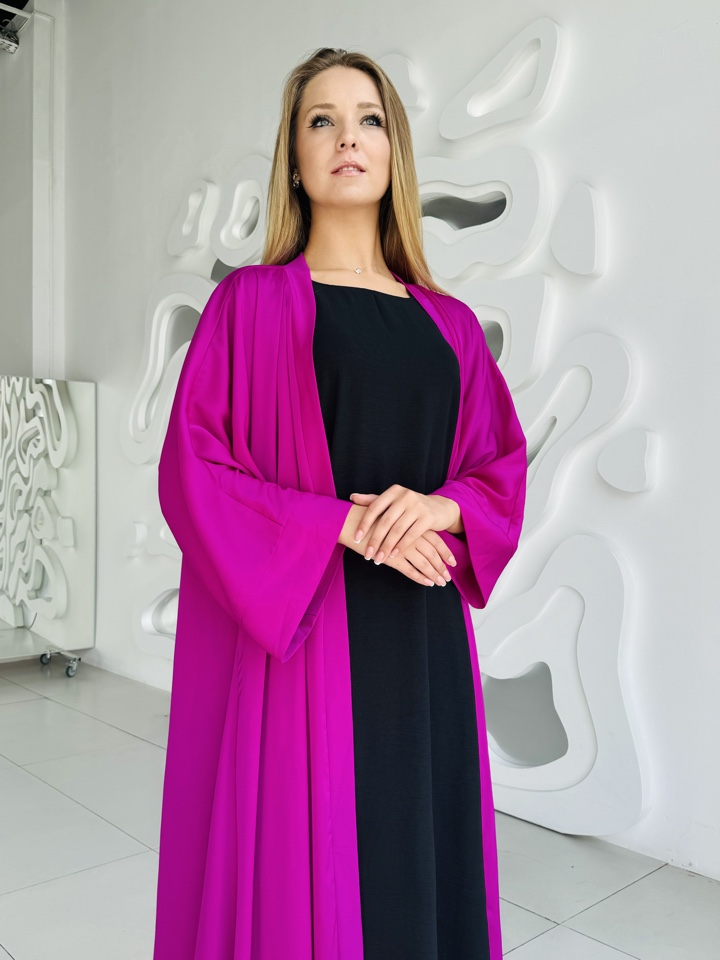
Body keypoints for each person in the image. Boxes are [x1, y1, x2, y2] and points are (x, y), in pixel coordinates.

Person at [152, 46, 527, 960]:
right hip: (310, 633)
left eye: (368, 120)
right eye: (321, 120)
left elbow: (498, 465)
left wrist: (440, 510)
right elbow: (195, 470)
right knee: (318, 875)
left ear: (395, 152)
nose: (347, 138)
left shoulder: (449, 323)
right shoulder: (250, 303)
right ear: (294, 158)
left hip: (425, 635)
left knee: (419, 862)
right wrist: (347, 523)